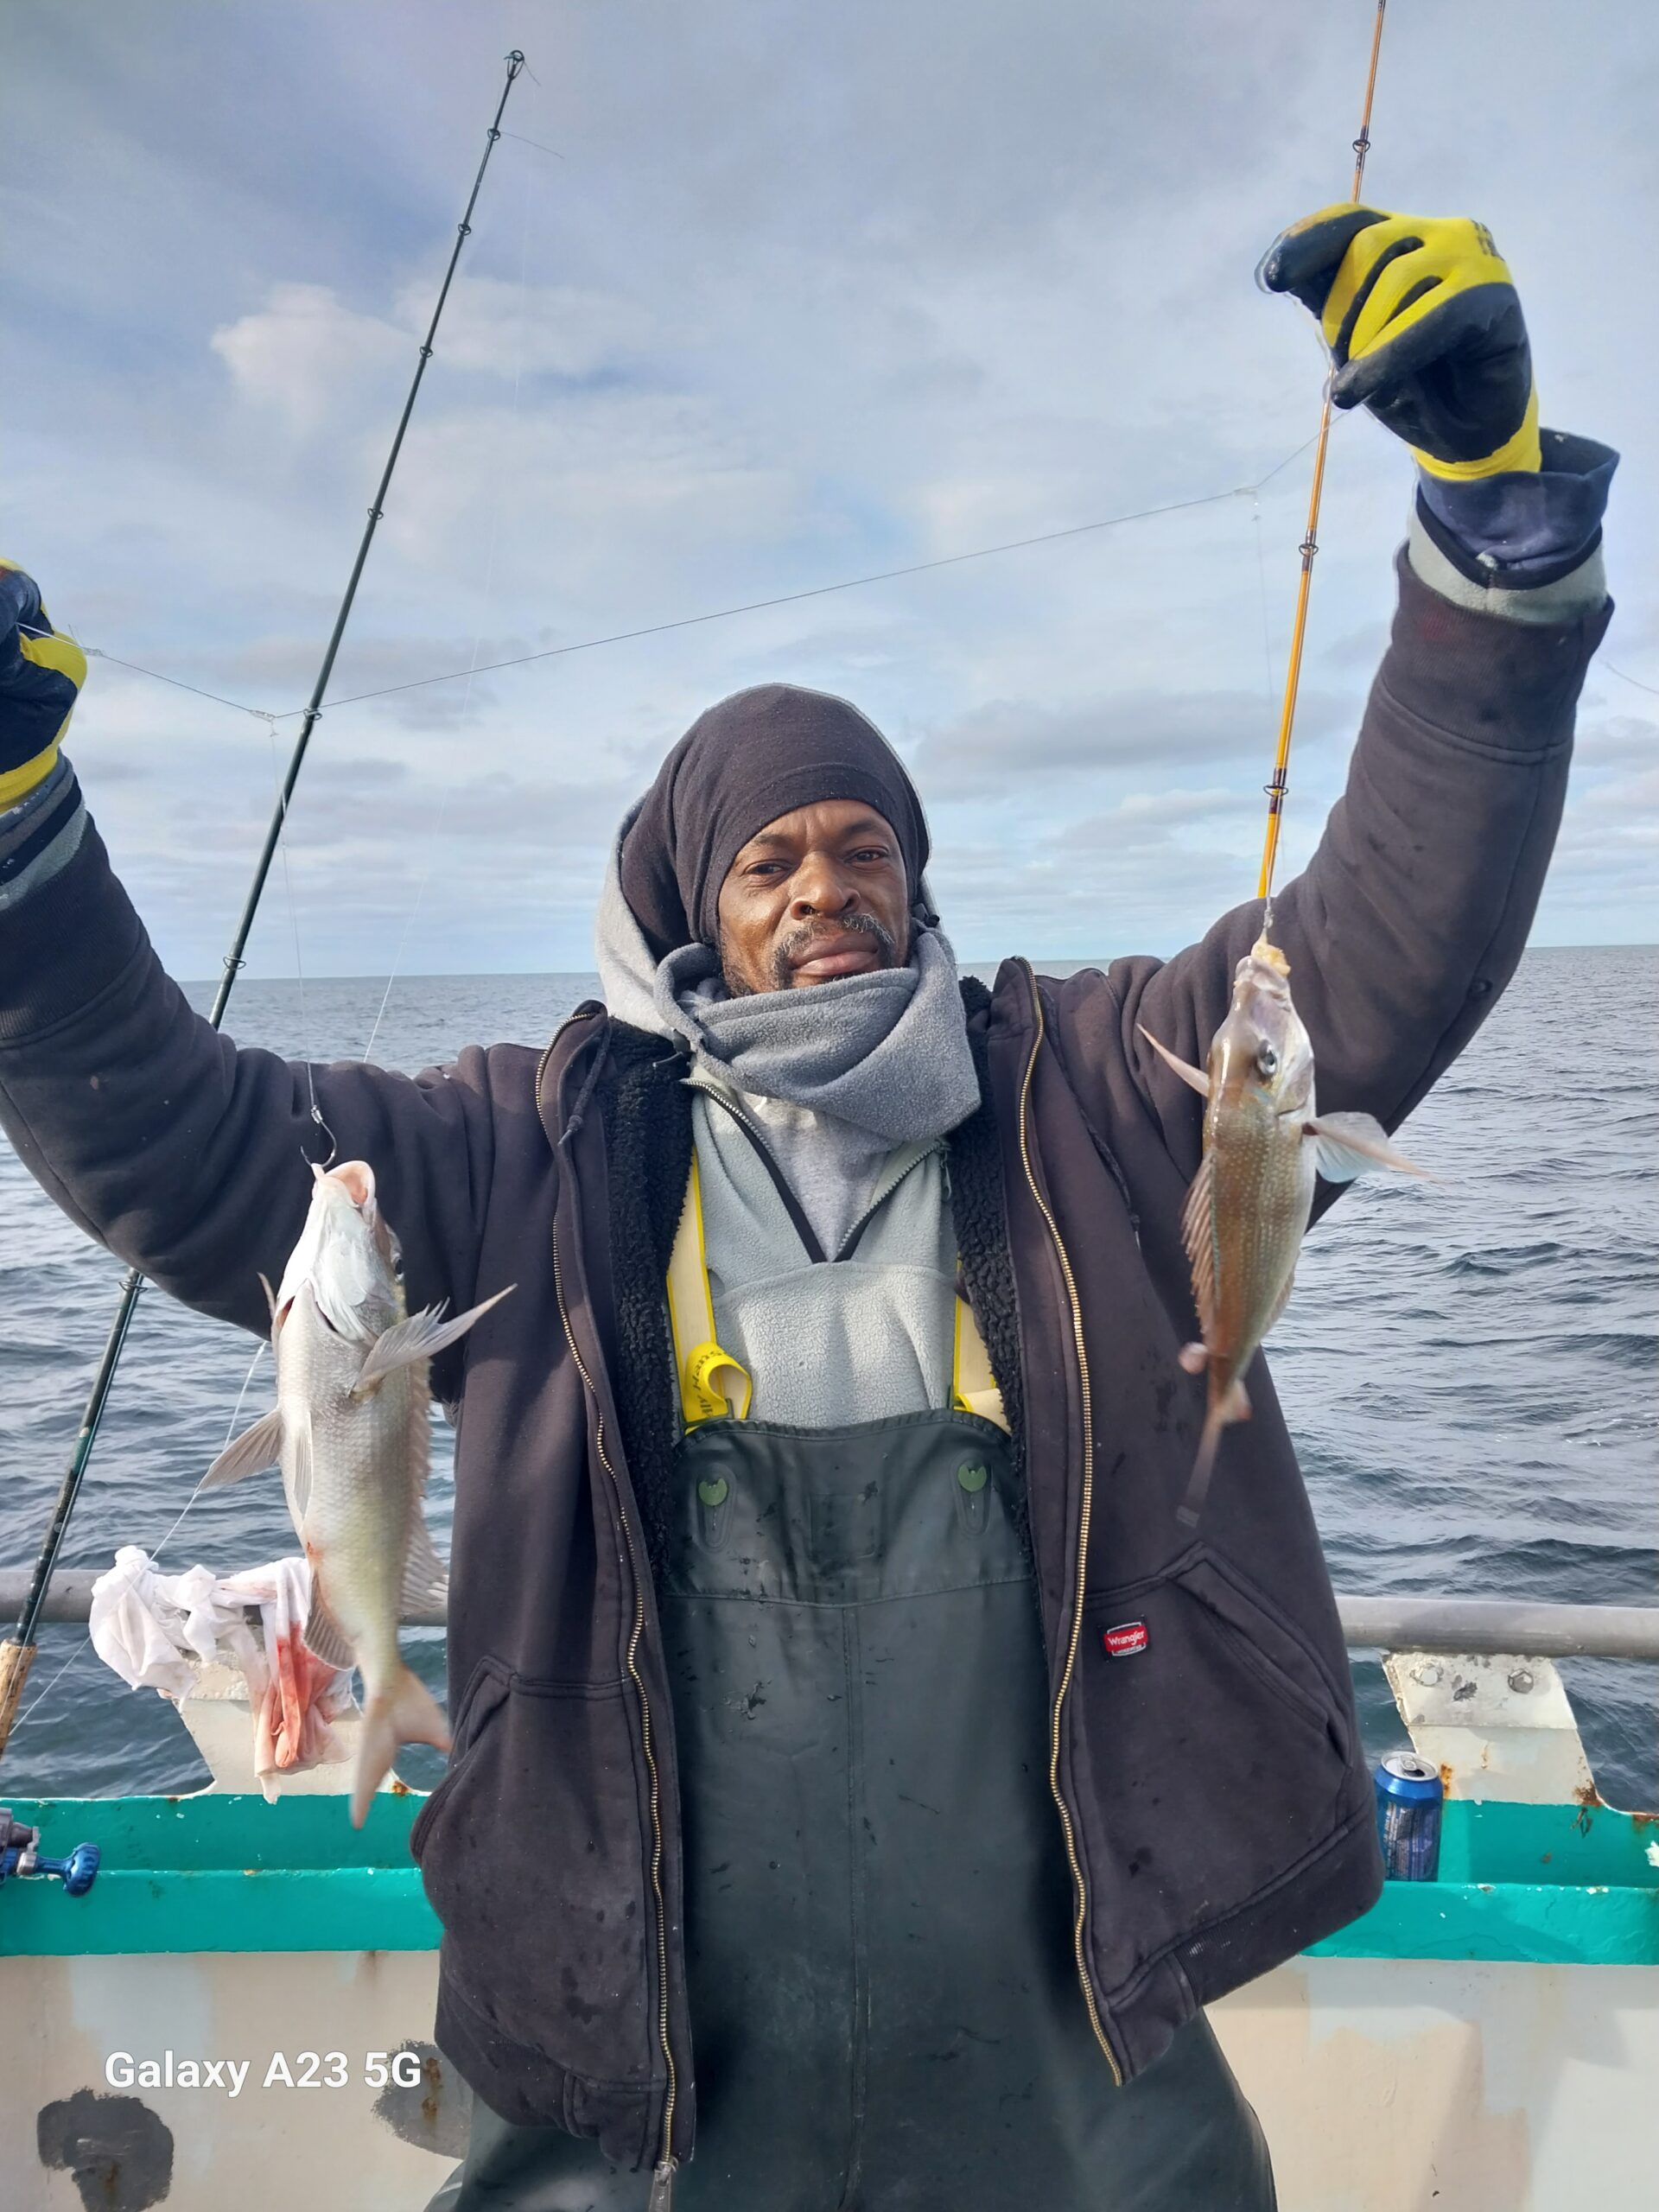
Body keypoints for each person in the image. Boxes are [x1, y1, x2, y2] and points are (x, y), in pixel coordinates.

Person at [0, 207, 1615, 2210]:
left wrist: (1495, 544)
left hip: (1077, 2047)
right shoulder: (523, 1148)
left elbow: (1388, 938)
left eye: (866, 849)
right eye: (769, 856)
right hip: (626, 2023)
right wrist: (22, 840)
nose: (823, 887)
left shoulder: (1102, 1086)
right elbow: (183, 1139)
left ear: (922, 888)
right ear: (692, 903)